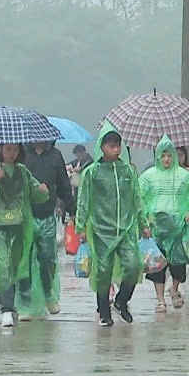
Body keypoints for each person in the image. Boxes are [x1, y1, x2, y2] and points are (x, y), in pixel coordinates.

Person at [75, 124, 146, 325]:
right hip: (101, 230)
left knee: (134, 265)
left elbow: (137, 198)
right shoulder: (92, 173)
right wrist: (80, 226)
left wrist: (143, 222)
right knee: (103, 271)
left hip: (126, 228)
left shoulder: (128, 171)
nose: (115, 149)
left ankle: (122, 301)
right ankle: (104, 313)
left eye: (117, 145)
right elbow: (84, 200)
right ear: (102, 147)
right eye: (111, 145)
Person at [0, 141, 53, 326]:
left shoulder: (23, 172)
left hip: (19, 227)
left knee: (15, 269)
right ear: (0, 149)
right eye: (8, 149)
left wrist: (43, 192)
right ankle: (7, 310)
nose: (12, 153)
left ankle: (0, 301)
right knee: (3, 267)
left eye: (15, 149)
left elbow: (35, 195)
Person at [137, 136, 189, 314]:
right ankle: (160, 301)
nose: (166, 159)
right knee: (156, 267)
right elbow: (138, 198)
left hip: (177, 229)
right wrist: (146, 216)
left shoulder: (184, 176)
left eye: (170, 155)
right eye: (163, 155)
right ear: (157, 156)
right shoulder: (148, 176)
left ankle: (175, 288)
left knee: (178, 264)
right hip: (156, 230)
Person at [25, 141, 75, 314]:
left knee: (47, 258)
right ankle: (25, 301)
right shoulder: (23, 153)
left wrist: (72, 210)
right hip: (25, 216)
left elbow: (63, 184)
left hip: (47, 215)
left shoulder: (55, 156)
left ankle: (48, 295)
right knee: (24, 260)